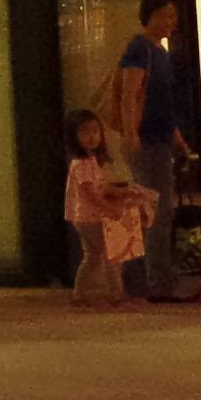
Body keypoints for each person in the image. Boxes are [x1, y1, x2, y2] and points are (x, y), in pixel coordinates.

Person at [110, 0, 201, 299]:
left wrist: (175, 137)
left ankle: (139, 278)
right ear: (147, 16)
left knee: (148, 209)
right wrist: (130, 133)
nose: (168, 22)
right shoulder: (140, 49)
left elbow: (163, 101)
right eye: (162, 15)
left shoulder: (160, 53)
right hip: (147, 140)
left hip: (160, 139)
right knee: (157, 212)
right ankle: (158, 283)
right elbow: (129, 94)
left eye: (172, 16)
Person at [63, 108, 156, 308]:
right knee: (112, 255)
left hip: (84, 218)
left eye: (95, 131)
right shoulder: (82, 164)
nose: (91, 137)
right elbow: (90, 193)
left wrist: (120, 192)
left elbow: (100, 187)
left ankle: (80, 294)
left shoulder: (88, 161)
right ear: (74, 136)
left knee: (92, 256)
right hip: (92, 217)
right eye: (85, 132)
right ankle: (116, 295)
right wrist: (109, 208)